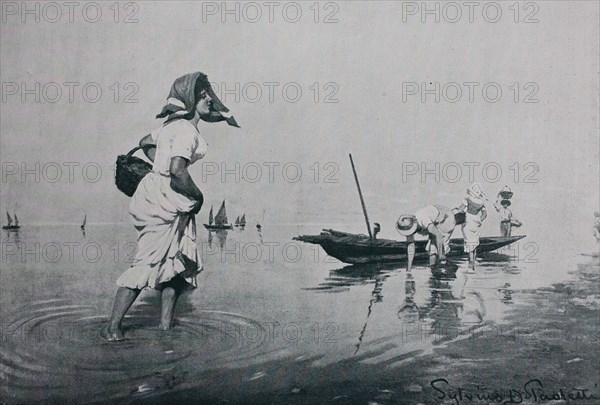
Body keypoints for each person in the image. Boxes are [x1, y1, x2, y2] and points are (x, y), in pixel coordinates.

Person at [102, 72, 238, 341]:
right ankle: (112, 329)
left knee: (174, 265)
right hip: (164, 200)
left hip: (163, 196)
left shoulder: (171, 126)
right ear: (190, 100)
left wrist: (158, 169)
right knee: (147, 263)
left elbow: (145, 143)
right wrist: (197, 195)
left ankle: (165, 328)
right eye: (202, 96)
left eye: (208, 94)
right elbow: (177, 169)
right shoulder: (186, 130)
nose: (209, 99)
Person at [396, 205, 456, 271]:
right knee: (432, 250)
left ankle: (445, 269)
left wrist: (441, 255)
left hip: (446, 218)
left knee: (442, 248)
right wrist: (409, 269)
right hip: (435, 222)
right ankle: (433, 270)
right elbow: (410, 247)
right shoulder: (408, 225)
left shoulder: (423, 220)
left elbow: (439, 236)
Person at [455, 183, 487, 272]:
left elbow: (459, 209)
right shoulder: (481, 202)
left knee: (469, 242)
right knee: (474, 242)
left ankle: (470, 265)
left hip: (468, 221)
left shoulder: (467, 200)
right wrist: (478, 220)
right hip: (476, 222)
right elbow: (485, 214)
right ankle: (473, 263)